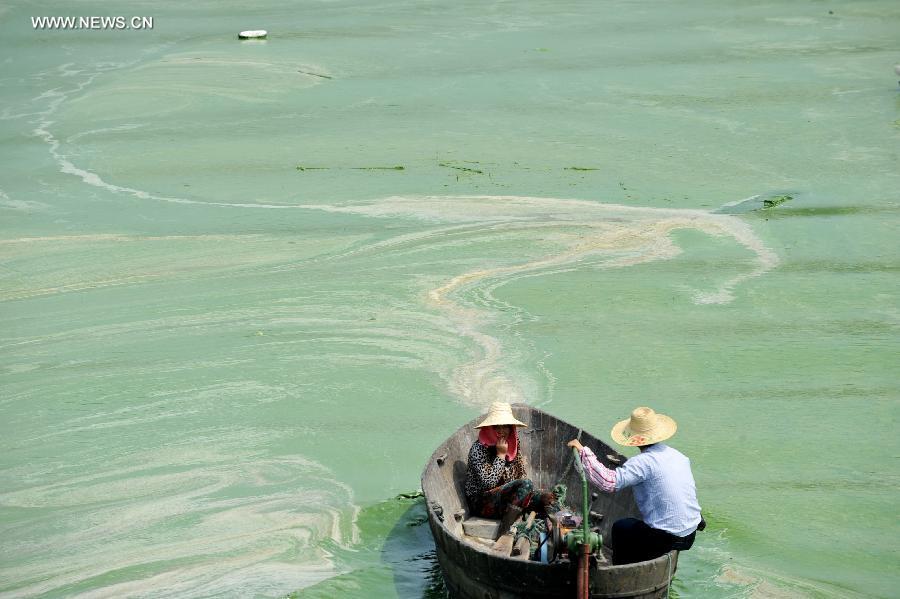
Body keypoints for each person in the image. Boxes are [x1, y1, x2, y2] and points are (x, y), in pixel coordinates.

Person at [567, 406, 702, 565]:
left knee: (621, 528)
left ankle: (619, 570)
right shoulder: (677, 456)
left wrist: (583, 452)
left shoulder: (642, 462)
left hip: (667, 538)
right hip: (689, 533)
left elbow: (608, 482)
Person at [464, 402, 557, 519]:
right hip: (482, 502)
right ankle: (506, 528)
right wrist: (501, 455)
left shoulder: (513, 442)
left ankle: (562, 525)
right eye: (496, 426)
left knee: (547, 497)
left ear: (510, 427)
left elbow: (520, 473)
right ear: (489, 428)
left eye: (505, 426)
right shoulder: (479, 448)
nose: (501, 431)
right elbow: (488, 483)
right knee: (526, 483)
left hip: (506, 500)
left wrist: (528, 495)